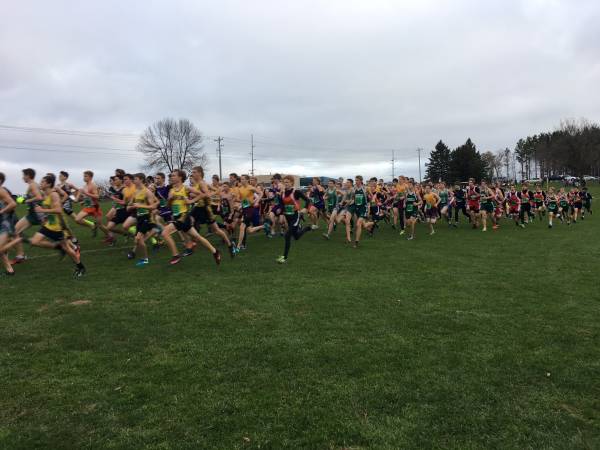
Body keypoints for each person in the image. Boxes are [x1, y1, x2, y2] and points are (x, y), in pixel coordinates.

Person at [160, 169, 221, 266]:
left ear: (180, 177)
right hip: (176, 217)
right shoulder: (171, 190)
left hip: (184, 216)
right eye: (171, 176)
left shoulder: (186, 188)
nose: (171, 177)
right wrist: (170, 200)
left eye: (174, 175)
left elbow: (202, 194)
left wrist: (191, 201)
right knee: (197, 237)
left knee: (164, 232)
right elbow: (168, 206)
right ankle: (215, 251)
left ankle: (176, 255)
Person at [10, 168, 44, 265]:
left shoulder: (32, 185)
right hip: (32, 214)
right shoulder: (34, 184)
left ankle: (70, 245)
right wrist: (24, 199)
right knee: (14, 231)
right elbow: (42, 196)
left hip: (38, 215)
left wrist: (26, 201)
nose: (22, 177)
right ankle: (20, 256)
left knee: (54, 234)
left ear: (28, 175)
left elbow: (39, 197)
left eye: (24, 175)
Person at [276, 175, 312, 263]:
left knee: (287, 235)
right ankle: (307, 228)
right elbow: (281, 204)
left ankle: (284, 257)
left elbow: (308, 200)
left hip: (296, 216)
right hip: (287, 216)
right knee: (296, 236)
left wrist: (305, 209)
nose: (285, 184)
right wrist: (280, 208)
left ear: (292, 183)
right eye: (284, 182)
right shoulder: (283, 193)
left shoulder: (296, 192)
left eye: (287, 182)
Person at [128, 173, 159, 266]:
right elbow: (130, 203)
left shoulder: (147, 192)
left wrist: (140, 205)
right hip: (139, 217)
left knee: (138, 238)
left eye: (135, 179)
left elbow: (153, 206)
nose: (134, 180)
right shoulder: (135, 192)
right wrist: (130, 206)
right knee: (138, 240)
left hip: (146, 217)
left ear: (141, 180)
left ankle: (145, 259)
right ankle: (145, 258)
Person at [74, 170, 103, 236]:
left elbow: (97, 196)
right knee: (77, 219)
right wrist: (83, 202)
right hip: (88, 207)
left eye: (85, 176)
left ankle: (110, 236)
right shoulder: (85, 186)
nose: (84, 178)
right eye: (83, 176)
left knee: (100, 225)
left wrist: (86, 193)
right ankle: (92, 225)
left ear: (90, 177)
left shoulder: (93, 185)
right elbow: (88, 198)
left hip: (95, 207)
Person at [0, 173, 17, 275]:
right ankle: (9, 270)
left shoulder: (1, 191)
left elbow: (13, 204)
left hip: (3, 223)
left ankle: (10, 269)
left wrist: (2, 211)